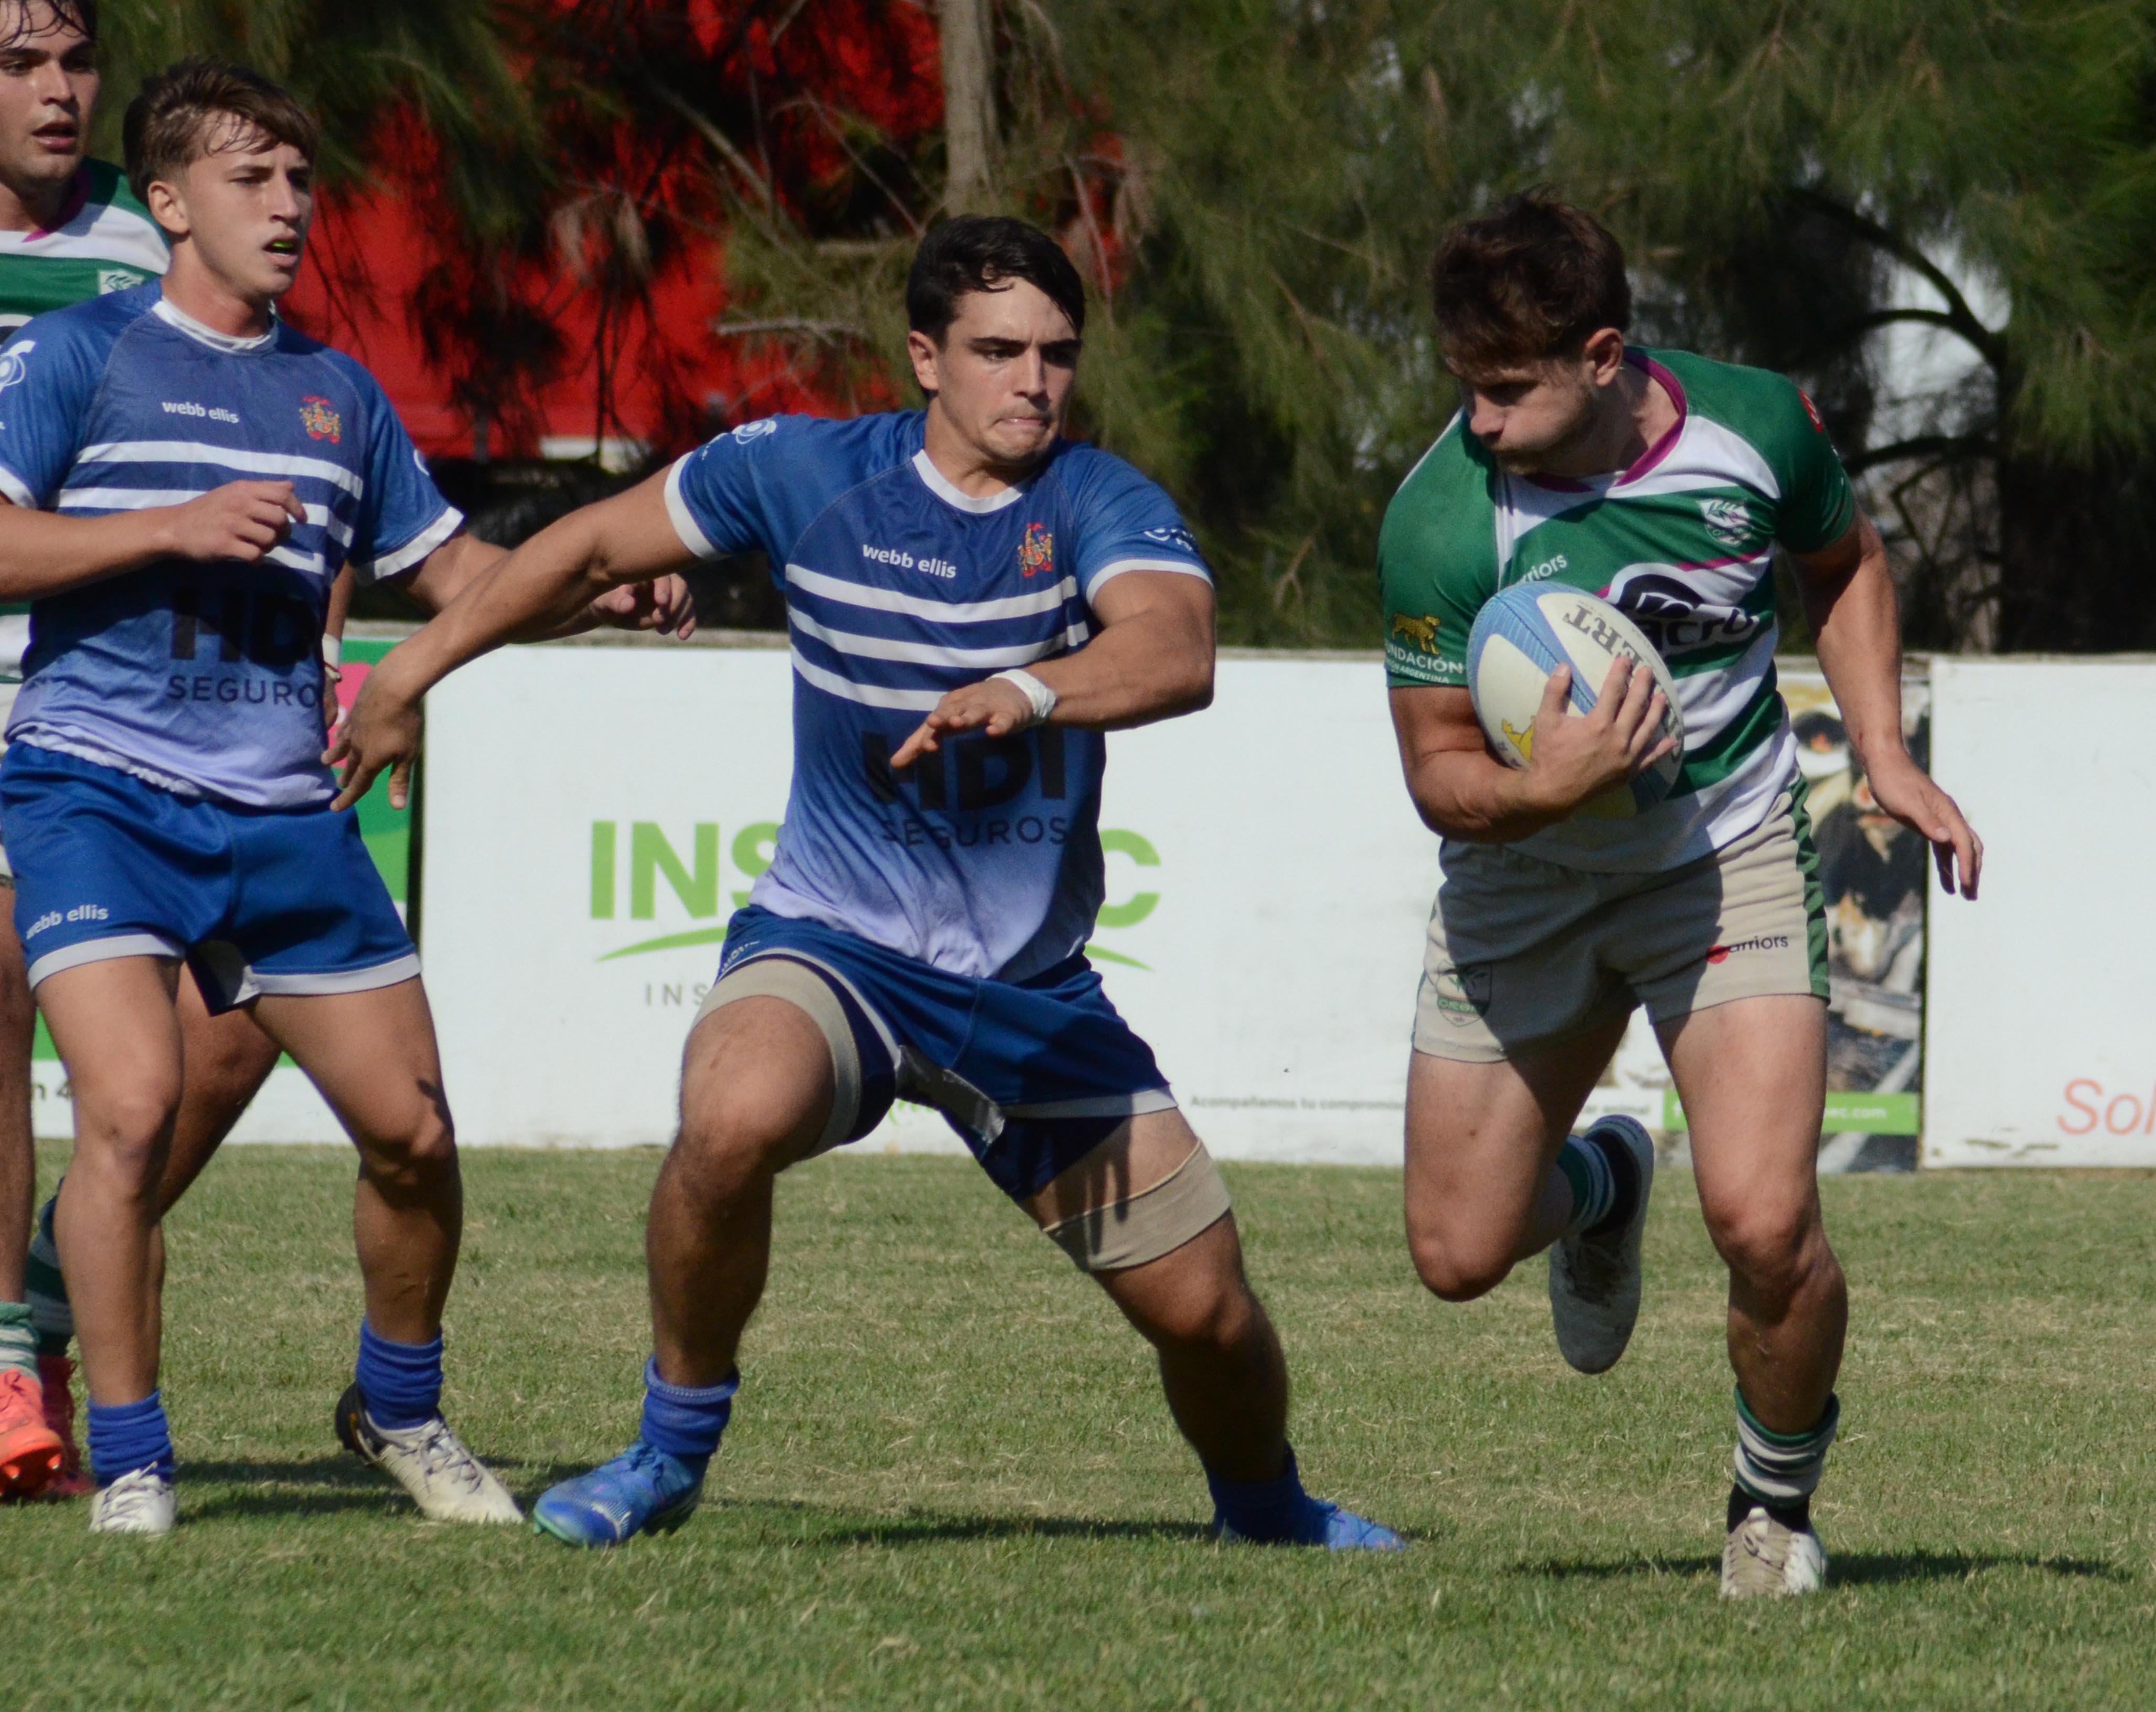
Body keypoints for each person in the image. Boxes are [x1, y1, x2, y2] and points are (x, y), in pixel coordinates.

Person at [330, 216, 1400, 1553]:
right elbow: (592, 549)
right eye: (998, 351)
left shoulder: (1098, 499)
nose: (1034, 382)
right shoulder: (801, 471)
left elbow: (1176, 651)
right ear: (925, 358)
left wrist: (1029, 689)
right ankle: (668, 1451)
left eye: (1057, 354)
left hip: (1026, 992)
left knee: (1209, 1313)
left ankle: (1268, 1512)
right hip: (834, 947)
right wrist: (409, 672)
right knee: (730, 1116)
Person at [0, 60, 690, 1533]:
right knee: (129, 1111)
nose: (289, 208)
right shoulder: (78, 356)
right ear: (168, 201)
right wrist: (169, 528)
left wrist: (599, 589)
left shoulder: (337, 393)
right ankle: (133, 1458)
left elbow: (458, 577)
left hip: (284, 815)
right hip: (96, 793)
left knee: (414, 1135)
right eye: (251, 180)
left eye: (301, 182)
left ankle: (398, 1407)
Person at [1375, 194, 1983, 1596]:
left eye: (1506, 390)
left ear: (1603, 356)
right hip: (1522, 879)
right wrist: (1549, 788)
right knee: (1456, 1255)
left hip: (1723, 856)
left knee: (1766, 1224)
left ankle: (1772, 1507)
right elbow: (1437, 773)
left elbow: (1845, 563)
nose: (1477, 420)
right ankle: (1602, 1185)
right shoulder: (1443, 520)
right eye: (1463, 385)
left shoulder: (1757, 426)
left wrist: (1883, 753)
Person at [0, 0, 301, 1502]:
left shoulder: (160, 225)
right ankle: (13, 1366)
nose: (58, 91)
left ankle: (50, 1291)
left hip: (149, 692)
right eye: (19, 64)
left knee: (247, 1021)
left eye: (76, 61)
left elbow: (290, 425)